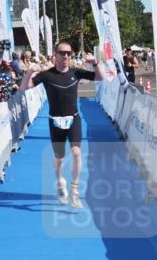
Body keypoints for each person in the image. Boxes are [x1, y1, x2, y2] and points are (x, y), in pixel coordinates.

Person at [20, 40, 102, 208]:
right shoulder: (47, 75)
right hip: (55, 121)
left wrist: (95, 63)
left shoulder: (76, 72)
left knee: (77, 152)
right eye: (62, 53)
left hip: (73, 118)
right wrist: (29, 73)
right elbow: (23, 88)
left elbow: (100, 77)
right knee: (59, 157)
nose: (66, 56)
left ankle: (75, 190)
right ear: (55, 55)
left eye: (69, 53)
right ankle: (59, 182)